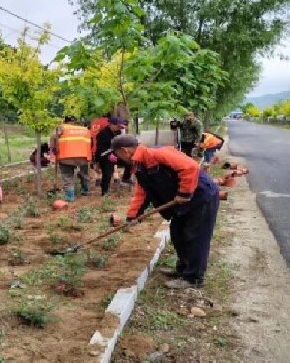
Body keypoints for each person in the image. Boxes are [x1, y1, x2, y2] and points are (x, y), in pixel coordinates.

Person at [109, 134, 219, 289]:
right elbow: (142, 192)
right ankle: (183, 270)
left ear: (124, 151)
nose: (116, 157)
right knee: (178, 234)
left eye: (116, 153)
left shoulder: (157, 154)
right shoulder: (140, 165)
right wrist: (133, 216)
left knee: (195, 237)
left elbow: (190, 167)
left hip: (201, 196)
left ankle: (193, 278)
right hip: (183, 203)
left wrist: (184, 192)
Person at [50, 116, 91, 202]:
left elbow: (53, 137)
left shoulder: (62, 127)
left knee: (67, 175)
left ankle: (70, 196)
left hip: (66, 156)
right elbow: (91, 142)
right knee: (84, 174)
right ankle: (86, 190)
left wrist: (54, 149)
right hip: (83, 156)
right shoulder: (84, 129)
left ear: (65, 121)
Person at [95, 117, 133, 195]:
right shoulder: (103, 133)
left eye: (121, 127)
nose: (120, 128)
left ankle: (125, 179)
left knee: (130, 162)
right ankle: (105, 193)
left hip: (116, 155)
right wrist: (108, 156)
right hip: (105, 156)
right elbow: (100, 149)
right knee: (107, 175)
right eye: (118, 126)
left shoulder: (119, 132)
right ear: (111, 124)